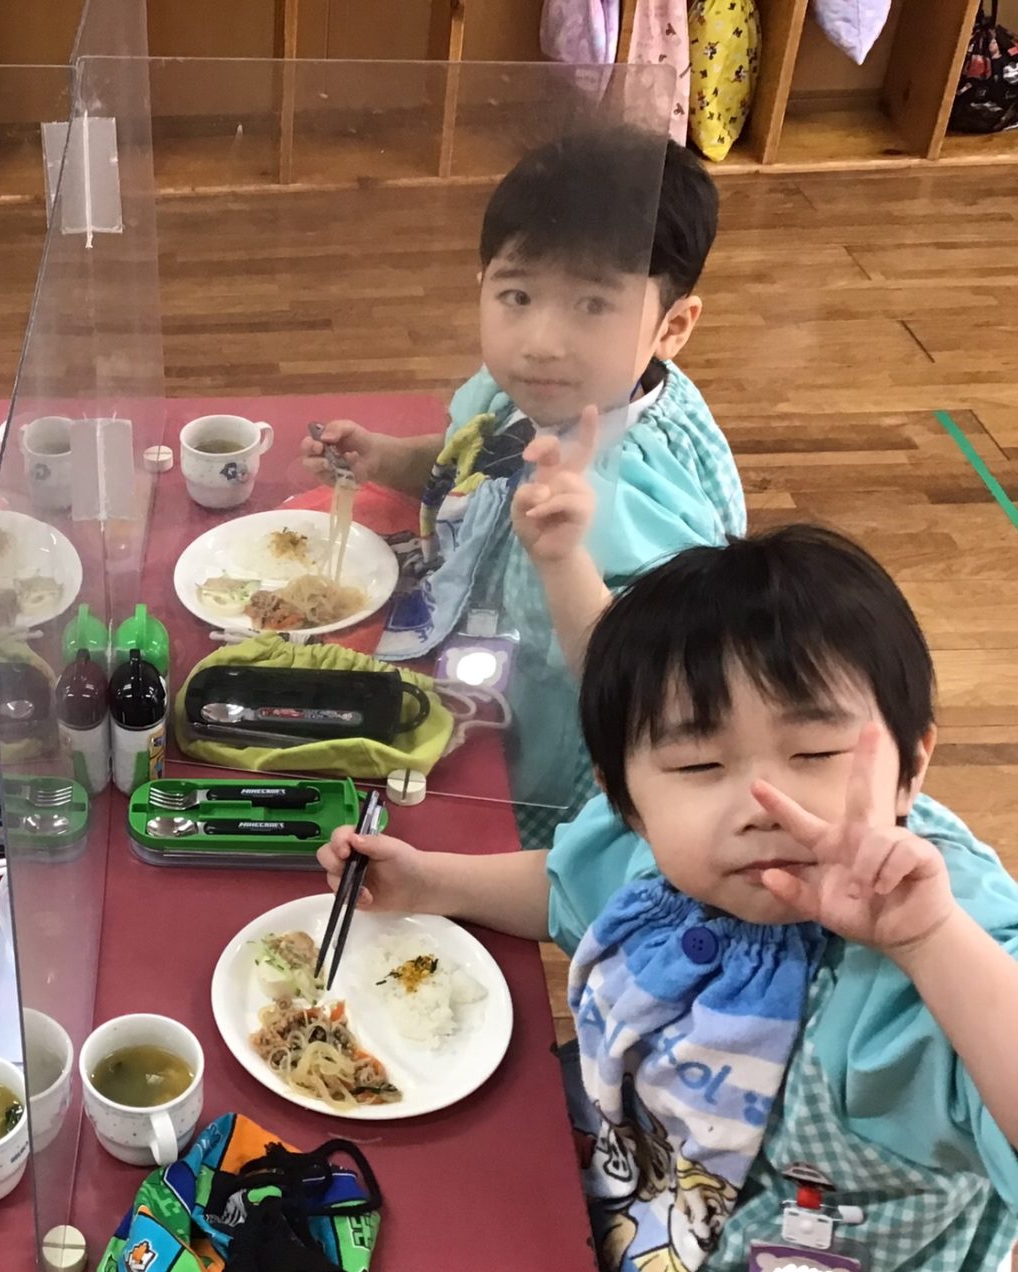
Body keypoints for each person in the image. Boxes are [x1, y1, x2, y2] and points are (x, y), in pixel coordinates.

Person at [320, 527, 1018, 1272]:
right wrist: (431, 882)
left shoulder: (933, 953)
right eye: (698, 765)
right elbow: (572, 893)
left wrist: (932, 944)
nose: (763, 806)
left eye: (814, 753)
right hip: (621, 1217)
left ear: (913, 764)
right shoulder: (659, 859)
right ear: (626, 798)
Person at [303, 127, 744, 846]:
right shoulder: (521, 394)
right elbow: (473, 462)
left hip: (555, 762)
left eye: (592, 306)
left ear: (673, 327)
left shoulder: (645, 490)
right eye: (517, 294)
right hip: (477, 687)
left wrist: (566, 558)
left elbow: (655, 687)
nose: (540, 341)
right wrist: (385, 459)